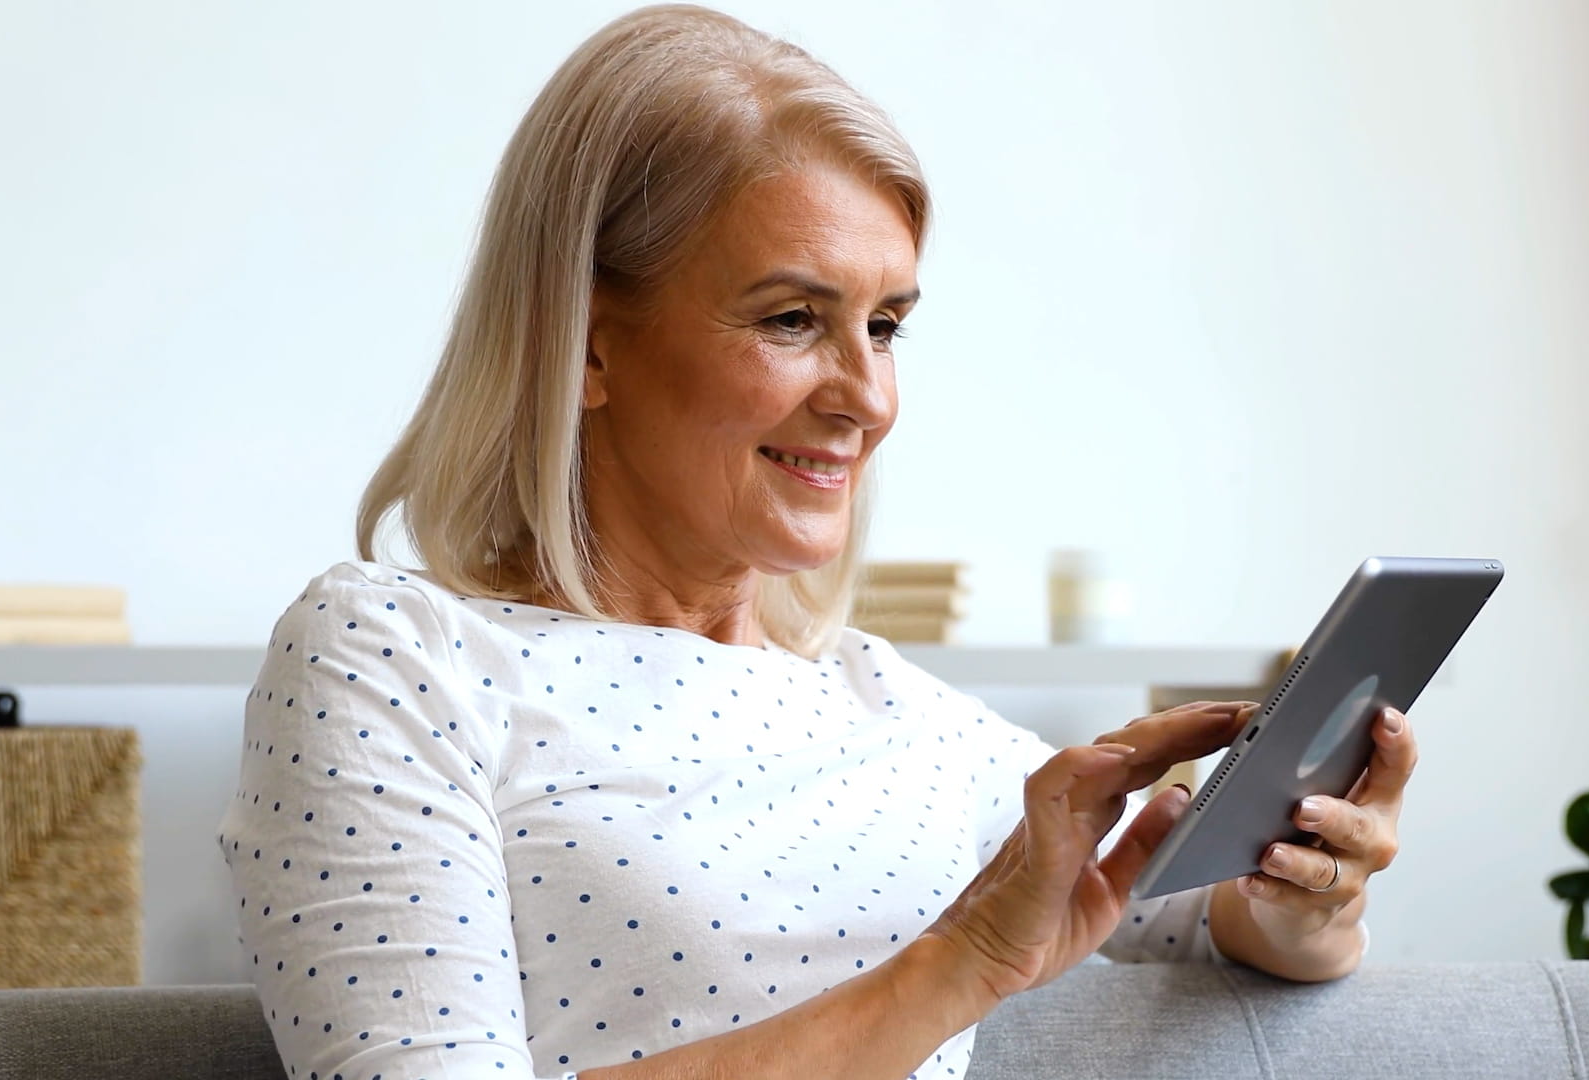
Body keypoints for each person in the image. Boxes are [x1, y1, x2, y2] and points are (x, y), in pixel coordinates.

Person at [216, 6, 1412, 1078]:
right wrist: (961, 964)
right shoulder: (396, 659)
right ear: (585, 342)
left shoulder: (895, 716)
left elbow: (1211, 917)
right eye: (793, 319)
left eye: (884, 326)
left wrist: (1313, 891)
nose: (869, 397)